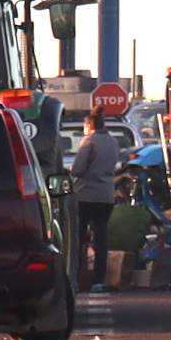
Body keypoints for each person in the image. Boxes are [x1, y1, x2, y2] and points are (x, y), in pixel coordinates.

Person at [65, 114, 132, 291]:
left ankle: (76, 277)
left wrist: (71, 170)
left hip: (86, 194)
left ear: (89, 125)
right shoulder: (112, 142)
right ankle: (98, 279)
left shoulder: (89, 142)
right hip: (106, 196)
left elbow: (79, 170)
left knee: (78, 237)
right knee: (101, 236)